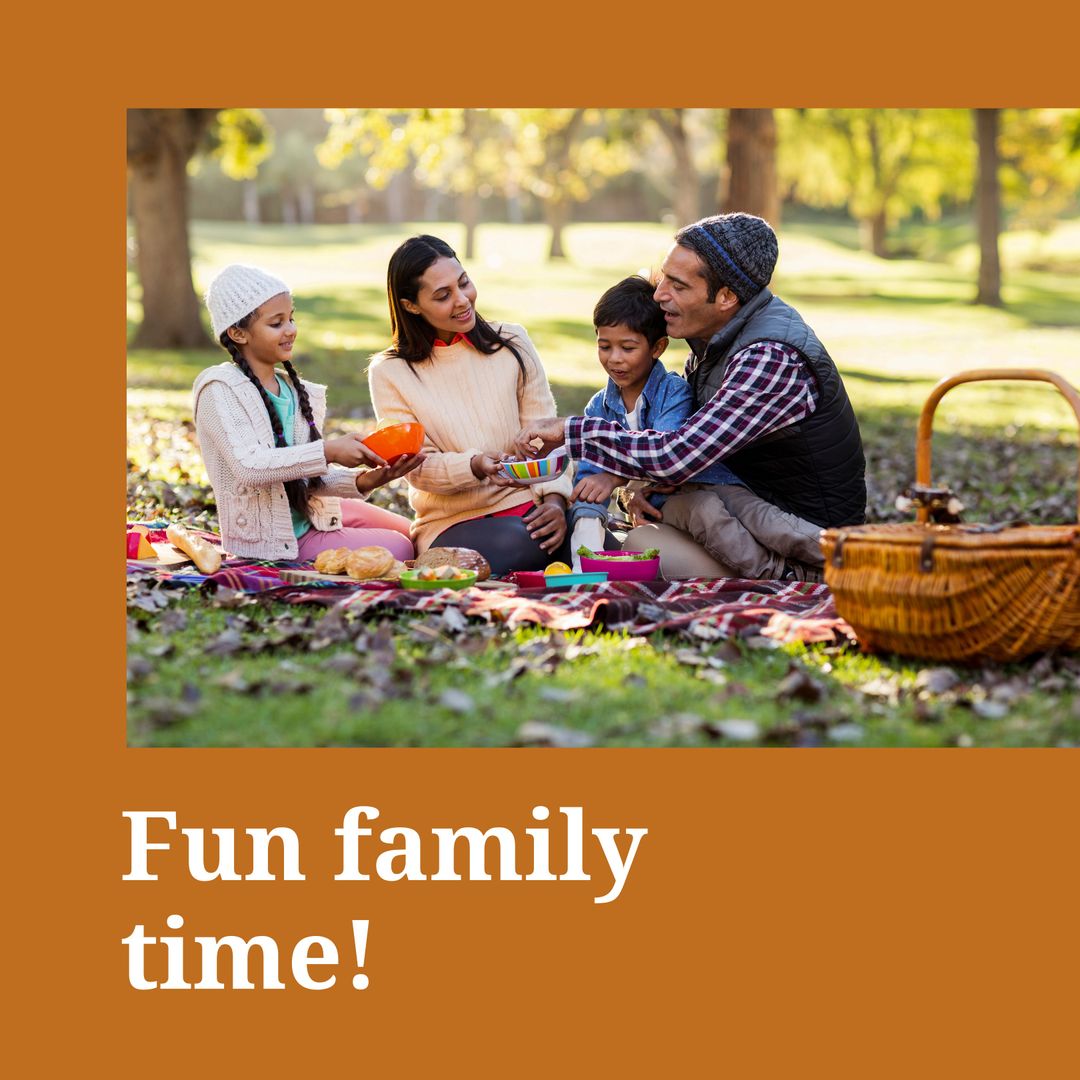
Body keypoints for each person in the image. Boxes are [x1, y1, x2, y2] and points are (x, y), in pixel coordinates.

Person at [514, 213, 867, 581]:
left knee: (642, 550)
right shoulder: (710, 348)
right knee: (642, 540)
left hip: (800, 533)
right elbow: (679, 449)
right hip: (734, 510)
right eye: (664, 276)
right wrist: (635, 488)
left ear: (727, 296)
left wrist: (573, 433)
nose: (659, 294)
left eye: (678, 286)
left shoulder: (768, 356)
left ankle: (803, 576)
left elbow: (677, 455)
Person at [367, 235, 573, 576]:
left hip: (528, 507)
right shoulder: (391, 372)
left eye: (463, 283)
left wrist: (555, 501)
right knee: (522, 543)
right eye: (443, 295)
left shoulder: (513, 342)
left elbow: (548, 437)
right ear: (411, 306)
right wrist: (474, 465)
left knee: (598, 544)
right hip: (454, 522)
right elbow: (416, 468)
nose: (463, 301)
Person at [194, 264, 423, 563]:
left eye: (291, 318)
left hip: (313, 512)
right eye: (276, 323)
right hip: (280, 540)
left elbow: (303, 479)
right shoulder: (220, 390)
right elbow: (251, 467)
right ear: (238, 333)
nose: (291, 329)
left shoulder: (293, 391)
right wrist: (327, 451)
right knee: (402, 548)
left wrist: (366, 480)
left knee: (415, 533)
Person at [568, 274, 751, 567]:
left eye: (628, 348)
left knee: (745, 527)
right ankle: (586, 562)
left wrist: (616, 477)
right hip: (664, 513)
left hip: (711, 497)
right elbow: (590, 480)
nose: (615, 359)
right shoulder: (598, 408)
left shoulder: (672, 392)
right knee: (590, 502)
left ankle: (782, 575)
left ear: (657, 348)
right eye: (604, 347)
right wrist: (585, 553)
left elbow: (665, 454)